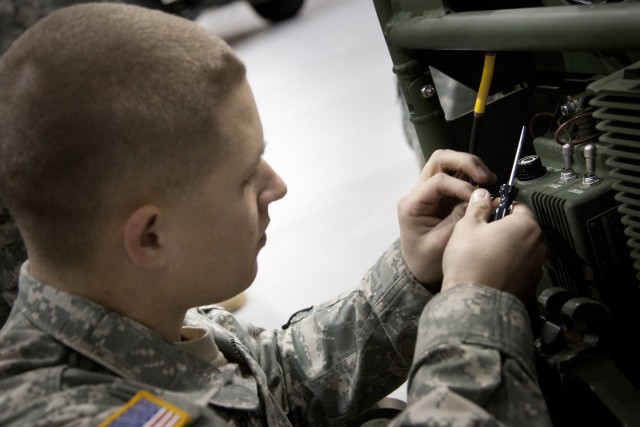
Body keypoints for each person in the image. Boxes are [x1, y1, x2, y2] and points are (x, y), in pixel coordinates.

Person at [0, 3, 551, 426]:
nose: (278, 186)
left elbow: (275, 380)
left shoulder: (137, 313)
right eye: (247, 175)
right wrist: (476, 308)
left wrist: (414, 276)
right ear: (149, 237)